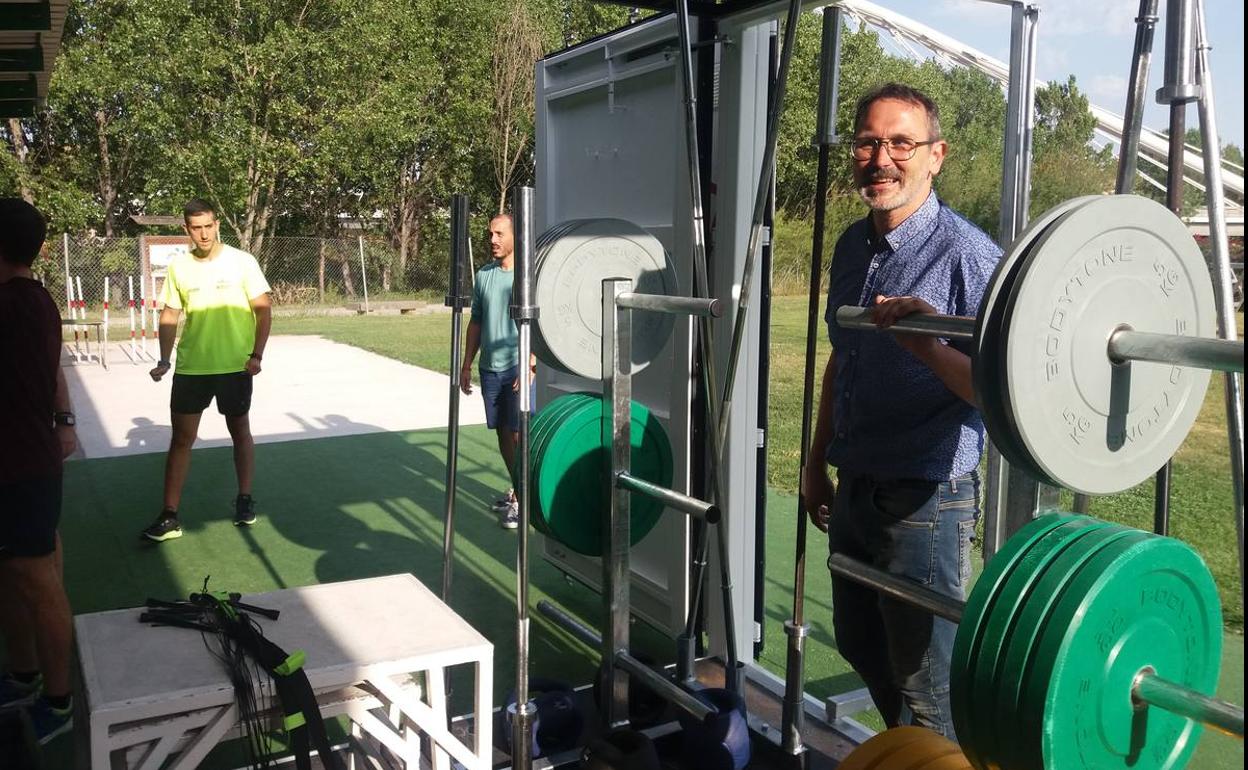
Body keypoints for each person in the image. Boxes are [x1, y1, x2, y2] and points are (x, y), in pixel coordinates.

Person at [802, 83, 1001, 739]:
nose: (881, 159)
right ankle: (907, 753)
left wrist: (927, 347)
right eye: (868, 142)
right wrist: (814, 464)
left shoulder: (969, 255)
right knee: (861, 644)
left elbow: (999, 391)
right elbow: (843, 359)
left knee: (929, 682)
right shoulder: (851, 246)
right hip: (855, 484)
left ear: (935, 155)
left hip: (927, 500)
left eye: (901, 143)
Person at [140, 198, 272, 542]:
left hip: (235, 366)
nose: (203, 233)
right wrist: (164, 360)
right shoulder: (179, 267)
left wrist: (257, 355)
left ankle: (244, 499)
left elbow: (263, 309)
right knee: (181, 440)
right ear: (187, 229)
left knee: (239, 431)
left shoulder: (243, 262)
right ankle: (170, 515)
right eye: (196, 227)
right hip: (191, 368)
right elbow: (170, 314)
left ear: (217, 225)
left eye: (208, 226)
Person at [0, 198, 77, 744]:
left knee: (38, 578)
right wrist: (65, 421)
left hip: (20, 466)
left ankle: (58, 700)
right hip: (24, 463)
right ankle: (24, 674)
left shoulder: (13, 305)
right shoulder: (35, 299)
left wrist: (63, 421)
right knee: (14, 574)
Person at [459, 213, 536, 529]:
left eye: (499, 234)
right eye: (490, 234)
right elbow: (476, 321)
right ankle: (517, 489)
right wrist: (466, 363)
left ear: (516, 237)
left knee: (519, 434)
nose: (492, 240)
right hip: (489, 368)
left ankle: (525, 499)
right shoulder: (484, 275)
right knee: (503, 434)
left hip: (518, 365)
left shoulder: (527, 277)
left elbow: (541, 322)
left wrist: (531, 362)